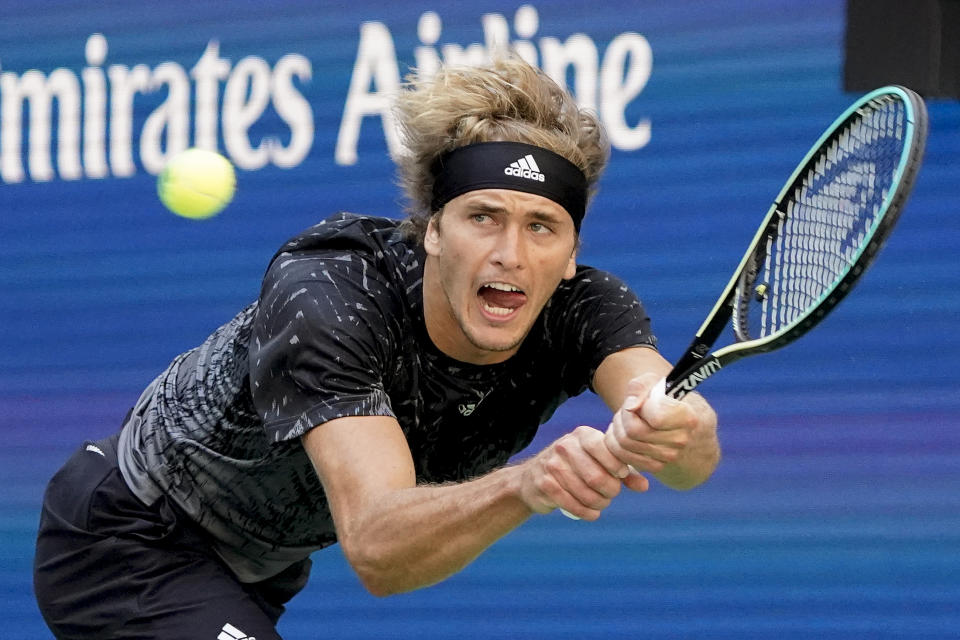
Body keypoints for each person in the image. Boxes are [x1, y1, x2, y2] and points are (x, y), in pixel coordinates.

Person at [34, 57, 720, 640]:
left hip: (261, 569)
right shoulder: (330, 292)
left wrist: (673, 429)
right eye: (483, 217)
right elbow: (377, 547)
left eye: (543, 226)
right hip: (127, 534)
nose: (511, 254)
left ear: (572, 254)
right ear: (431, 231)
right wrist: (528, 483)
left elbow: (687, 450)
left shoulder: (587, 308)